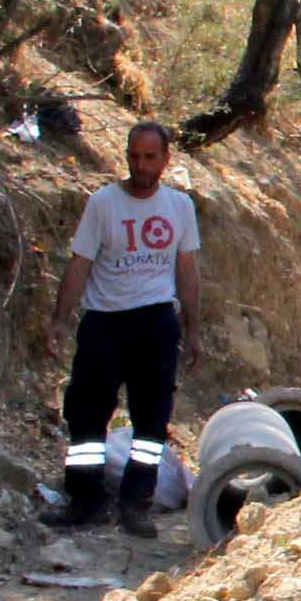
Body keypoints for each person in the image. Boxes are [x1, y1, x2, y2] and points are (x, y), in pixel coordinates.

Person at [46, 121, 204, 536]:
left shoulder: (179, 207)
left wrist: (194, 328)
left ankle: (137, 504)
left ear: (165, 160)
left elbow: (187, 270)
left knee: (151, 422)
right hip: (104, 322)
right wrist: (59, 321)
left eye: (150, 157)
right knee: (86, 415)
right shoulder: (103, 204)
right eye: (134, 156)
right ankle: (85, 501)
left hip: (155, 322)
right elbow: (79, 263)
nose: (140, 165)